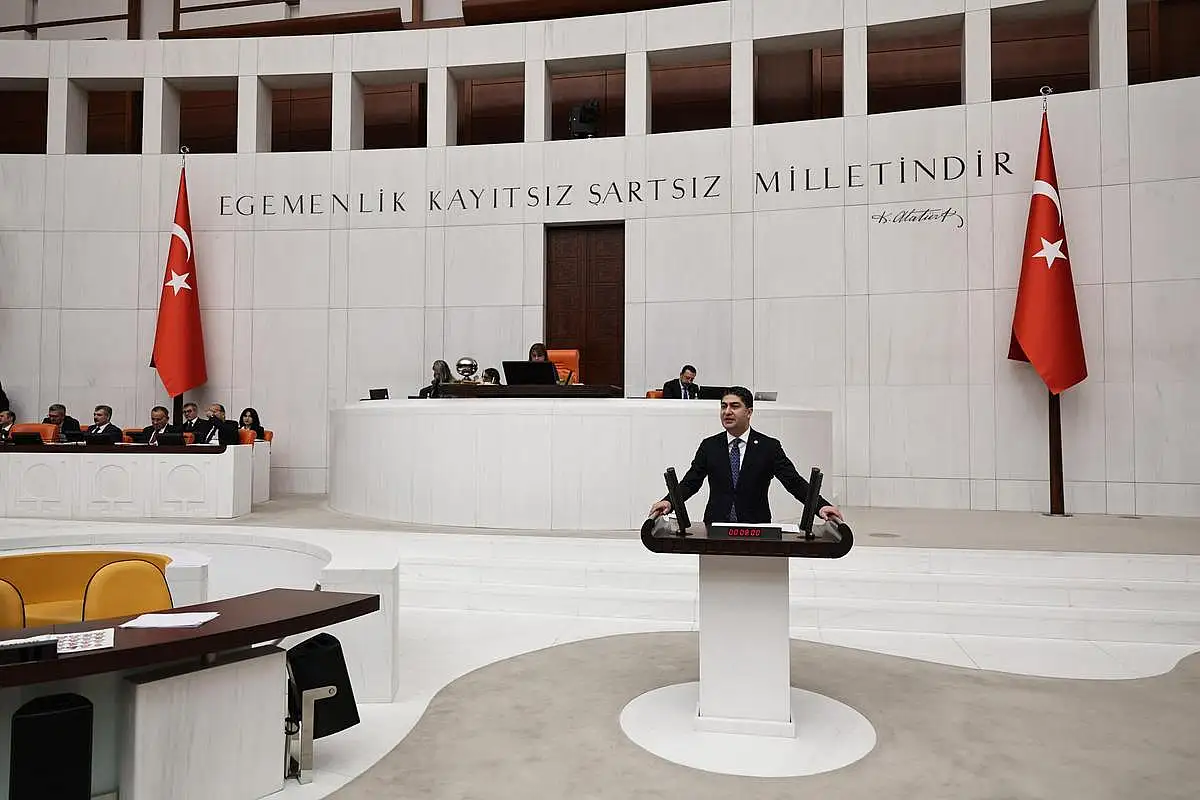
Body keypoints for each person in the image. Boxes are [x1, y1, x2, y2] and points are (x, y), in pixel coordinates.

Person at [648, 386, 843, 525]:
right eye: (723, 406)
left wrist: (821, 506)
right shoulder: (710, 446)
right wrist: (669, 501)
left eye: (734, 406)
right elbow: (691, 482)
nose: (727, 412)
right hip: (716, 527)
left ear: (749, 412)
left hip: (756, 527)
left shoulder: (769, 447)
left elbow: (794, 482)